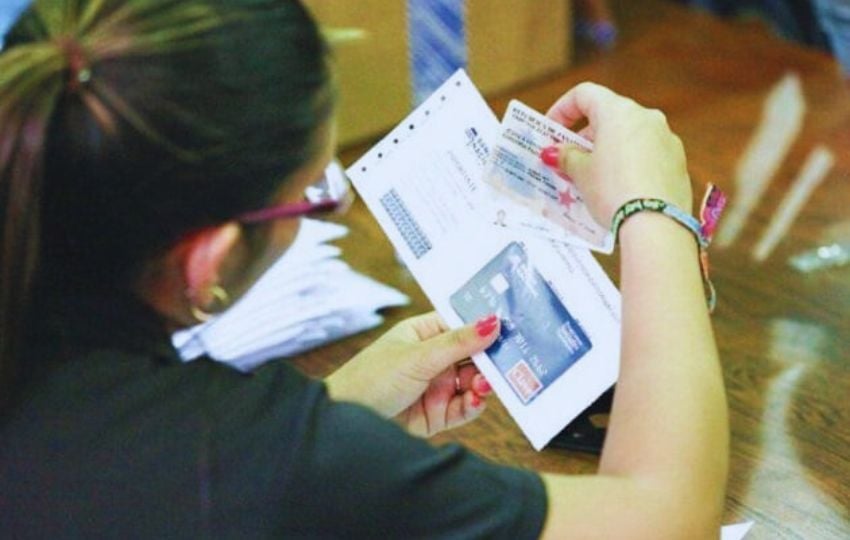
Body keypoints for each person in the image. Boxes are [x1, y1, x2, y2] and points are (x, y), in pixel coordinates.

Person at [0, 1, 728, 537]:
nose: (333, 206)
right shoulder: (241, 462)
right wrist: (654, 208)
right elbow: (663, 514)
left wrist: (335, 411)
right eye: (312, 195)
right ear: (208, 259)